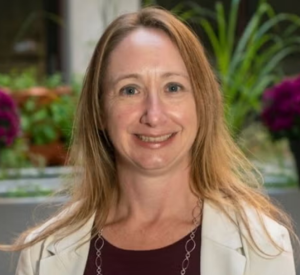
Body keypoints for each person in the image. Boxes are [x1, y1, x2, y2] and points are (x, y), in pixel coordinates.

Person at [0, 7, 297, 275]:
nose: (153, 115)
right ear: (99, 110)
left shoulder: (263, 247)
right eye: (130, 90)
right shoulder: (41, 253)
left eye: (173, 87)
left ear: (201, 105)